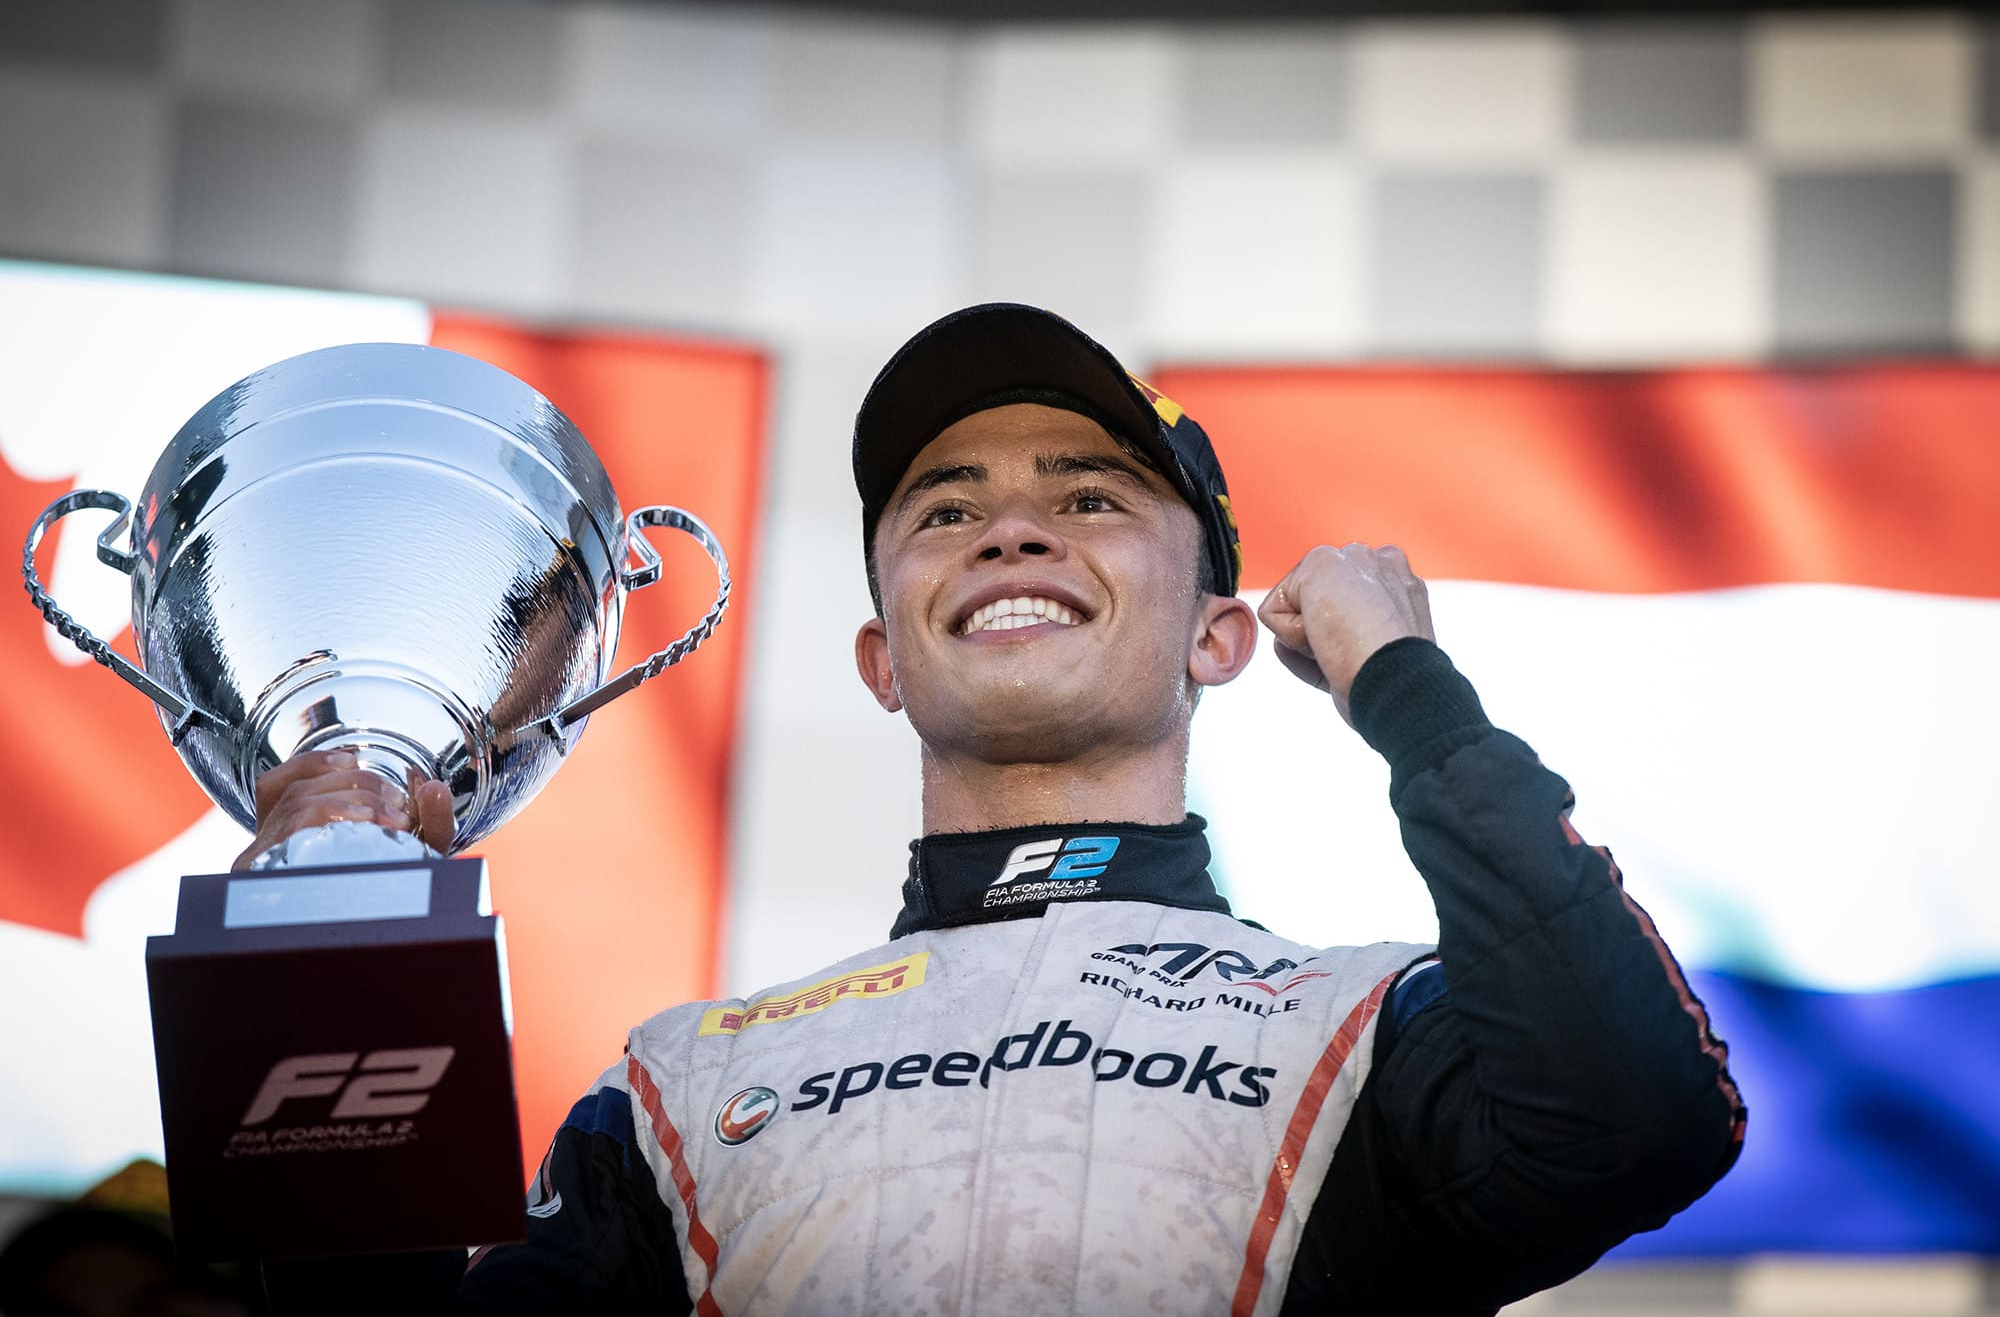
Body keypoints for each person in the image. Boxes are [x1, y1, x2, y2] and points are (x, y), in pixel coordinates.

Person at [252, 304, 1745, 1315]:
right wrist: (332, 932)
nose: (1011, 524)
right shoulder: (680, 1091)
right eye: (945, 507)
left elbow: (1643, 1115)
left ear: (1219, 635)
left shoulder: (1364, 1029)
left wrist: (1404, 683)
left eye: (1091, 495)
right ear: (881, 658)